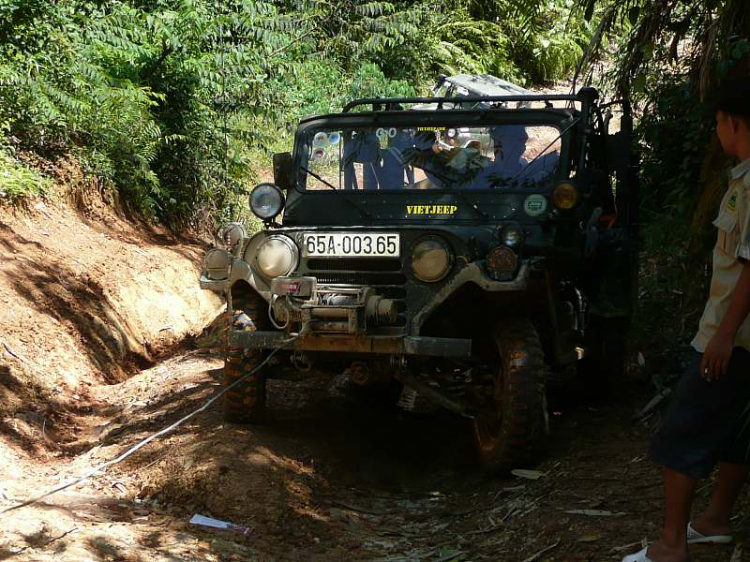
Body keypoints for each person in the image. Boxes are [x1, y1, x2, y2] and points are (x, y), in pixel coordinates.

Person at [623, 76, 750, 562]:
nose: (717, 130)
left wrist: (722, 336)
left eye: (718, 122)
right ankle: (716, 520)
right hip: (737, 334)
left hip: (730, 335)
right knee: (738, 430)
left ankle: (671, 545)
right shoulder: (740, 178)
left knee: (681, 432)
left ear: (734, 122)